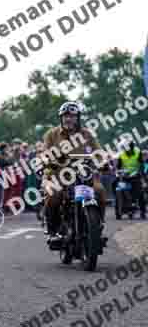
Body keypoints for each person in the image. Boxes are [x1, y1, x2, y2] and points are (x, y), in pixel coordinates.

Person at [42, 101, 107, 244]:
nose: (69, 118)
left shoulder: (87, 134)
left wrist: (104, 162)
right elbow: (44, 153)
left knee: (100, 191)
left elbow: (99, 152)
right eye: (65, 115)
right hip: (58, 176)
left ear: (78, 117)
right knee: (54, 194)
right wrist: (49, 159)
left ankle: (98, 225)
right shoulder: (51, 134)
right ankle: (53, 230)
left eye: (72, 115)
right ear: (61, 118)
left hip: (83, 175)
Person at [116, 139, 145, 218]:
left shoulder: (137, 152)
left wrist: (140, 172)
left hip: (136, 175)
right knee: (117, 188)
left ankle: (143, 211)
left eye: (130, 147)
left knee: (140, 192)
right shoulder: (121, 154)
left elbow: (142, 164)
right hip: (125, 176)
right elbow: (118, 167)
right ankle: (118, 211)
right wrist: (119, 172)